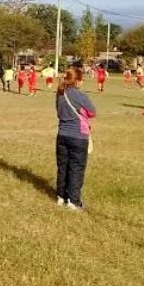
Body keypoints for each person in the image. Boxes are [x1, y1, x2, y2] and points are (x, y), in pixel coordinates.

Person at [55, 67, 96, 210]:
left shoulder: (60, 93)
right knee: (76, 168)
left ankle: (61, 196)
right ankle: (73, 201)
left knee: (63, 167)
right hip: (78, 136)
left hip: (62, 135)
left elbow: (59, 112)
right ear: (77, 80)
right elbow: (92, 112)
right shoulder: (80, 95)